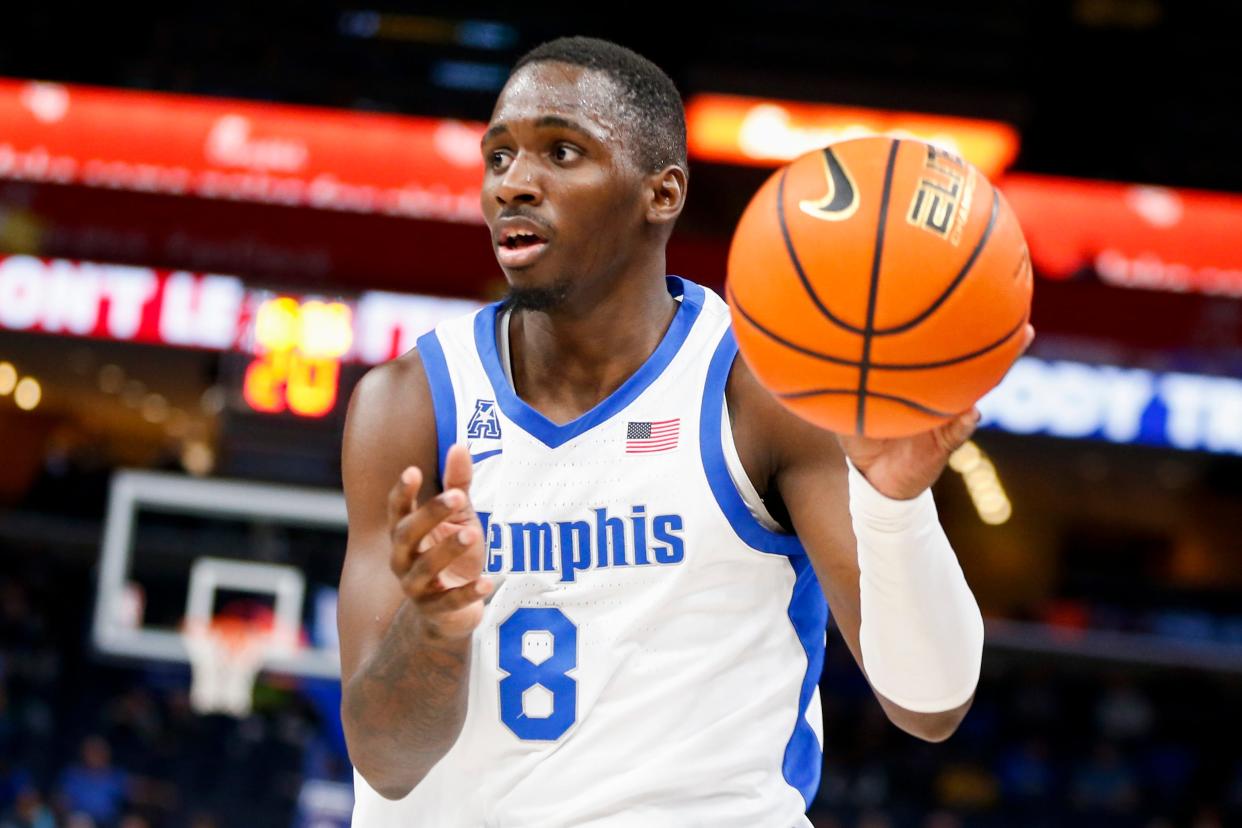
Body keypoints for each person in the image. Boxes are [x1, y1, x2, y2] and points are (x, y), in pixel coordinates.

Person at [339, 36, 1028, 827]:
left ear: (661, 194)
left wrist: (895, 505)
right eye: (498, 158)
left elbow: (931, 706)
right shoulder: (410, 403)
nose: (514, 185)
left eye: (560, 152)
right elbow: (385, 762)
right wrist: (435, 627)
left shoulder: (761, 391)